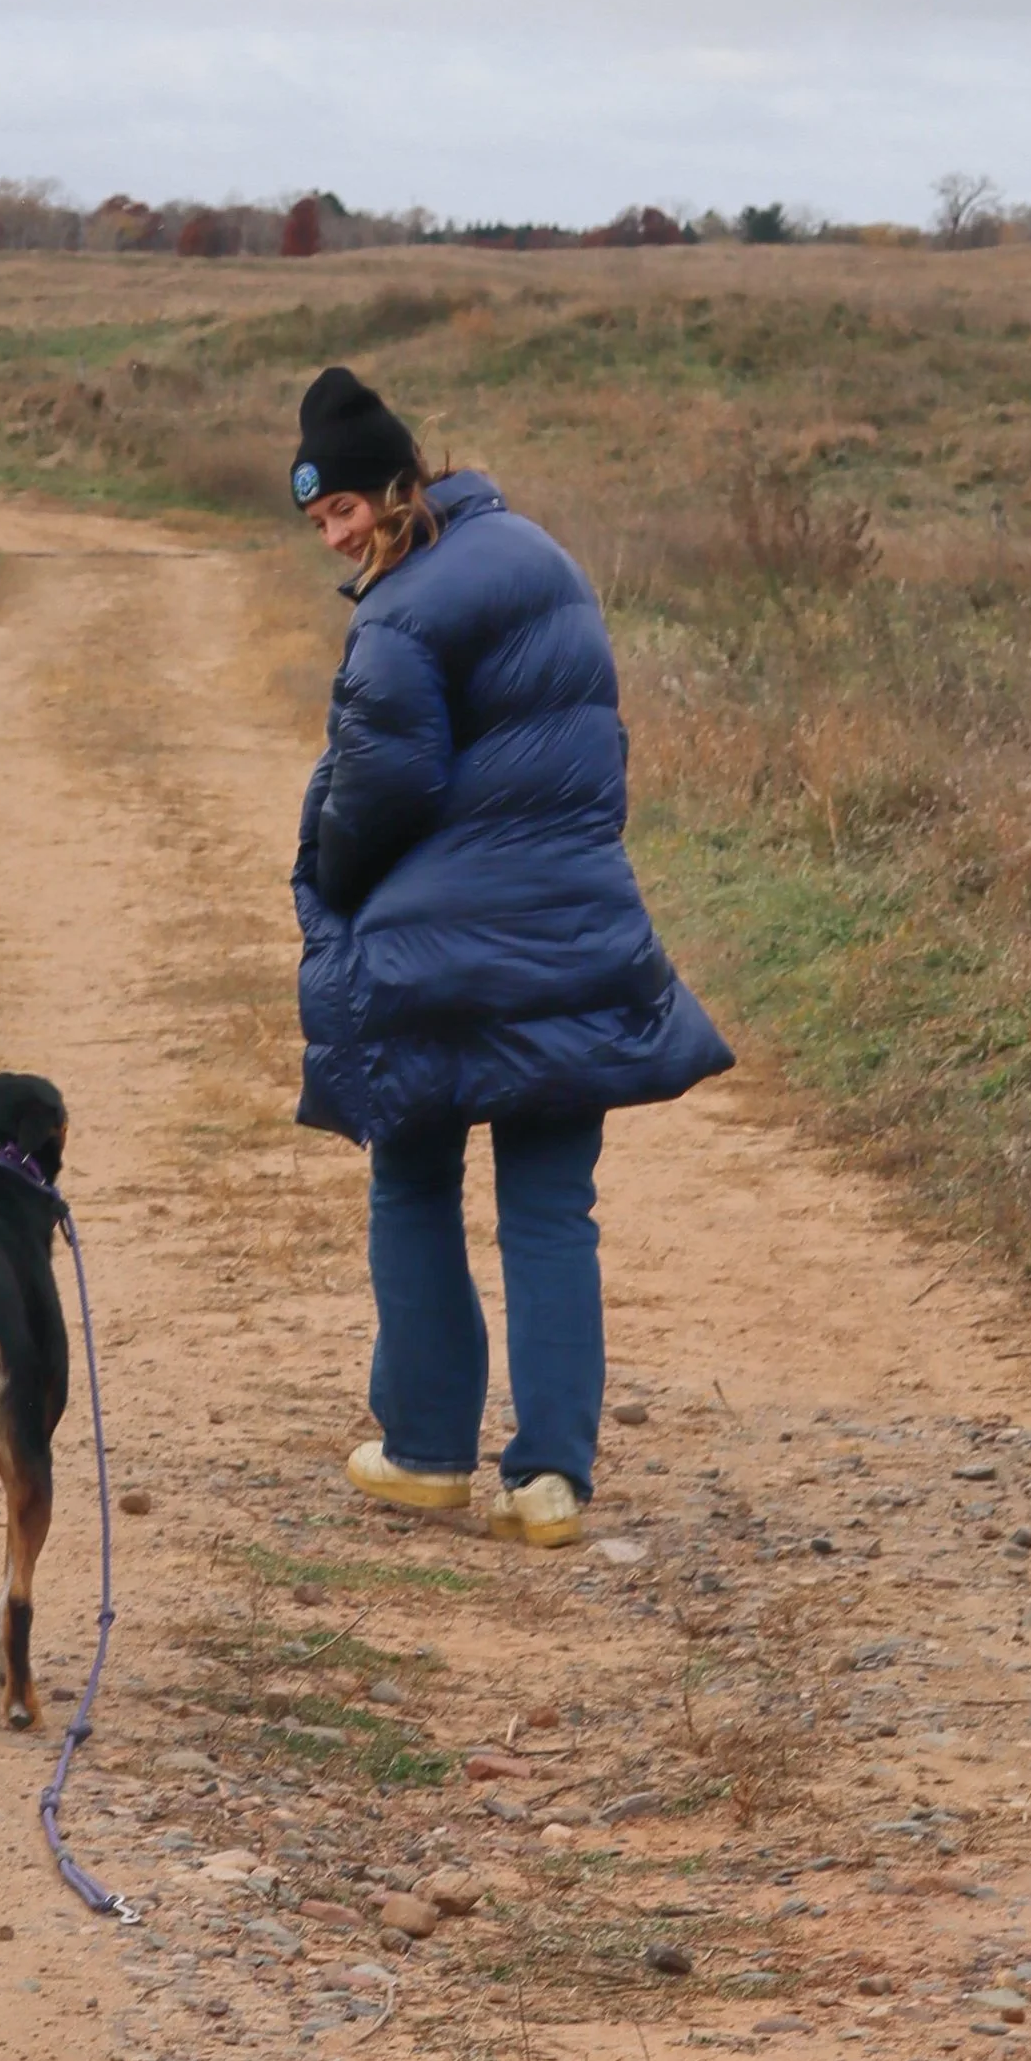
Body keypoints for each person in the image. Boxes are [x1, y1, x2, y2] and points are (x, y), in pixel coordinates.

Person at [288, 365, 732, 1547]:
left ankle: (429, 1453)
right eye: (319, 521)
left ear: (400, 484)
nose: (338, 534)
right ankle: (549, 1481)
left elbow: (383, 781)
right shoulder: (546, 560)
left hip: (435, 957)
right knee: (550, 1207)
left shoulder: (400, 606)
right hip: (576, 929)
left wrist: (326, 876)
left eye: (345, 509)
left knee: (415, 1179)